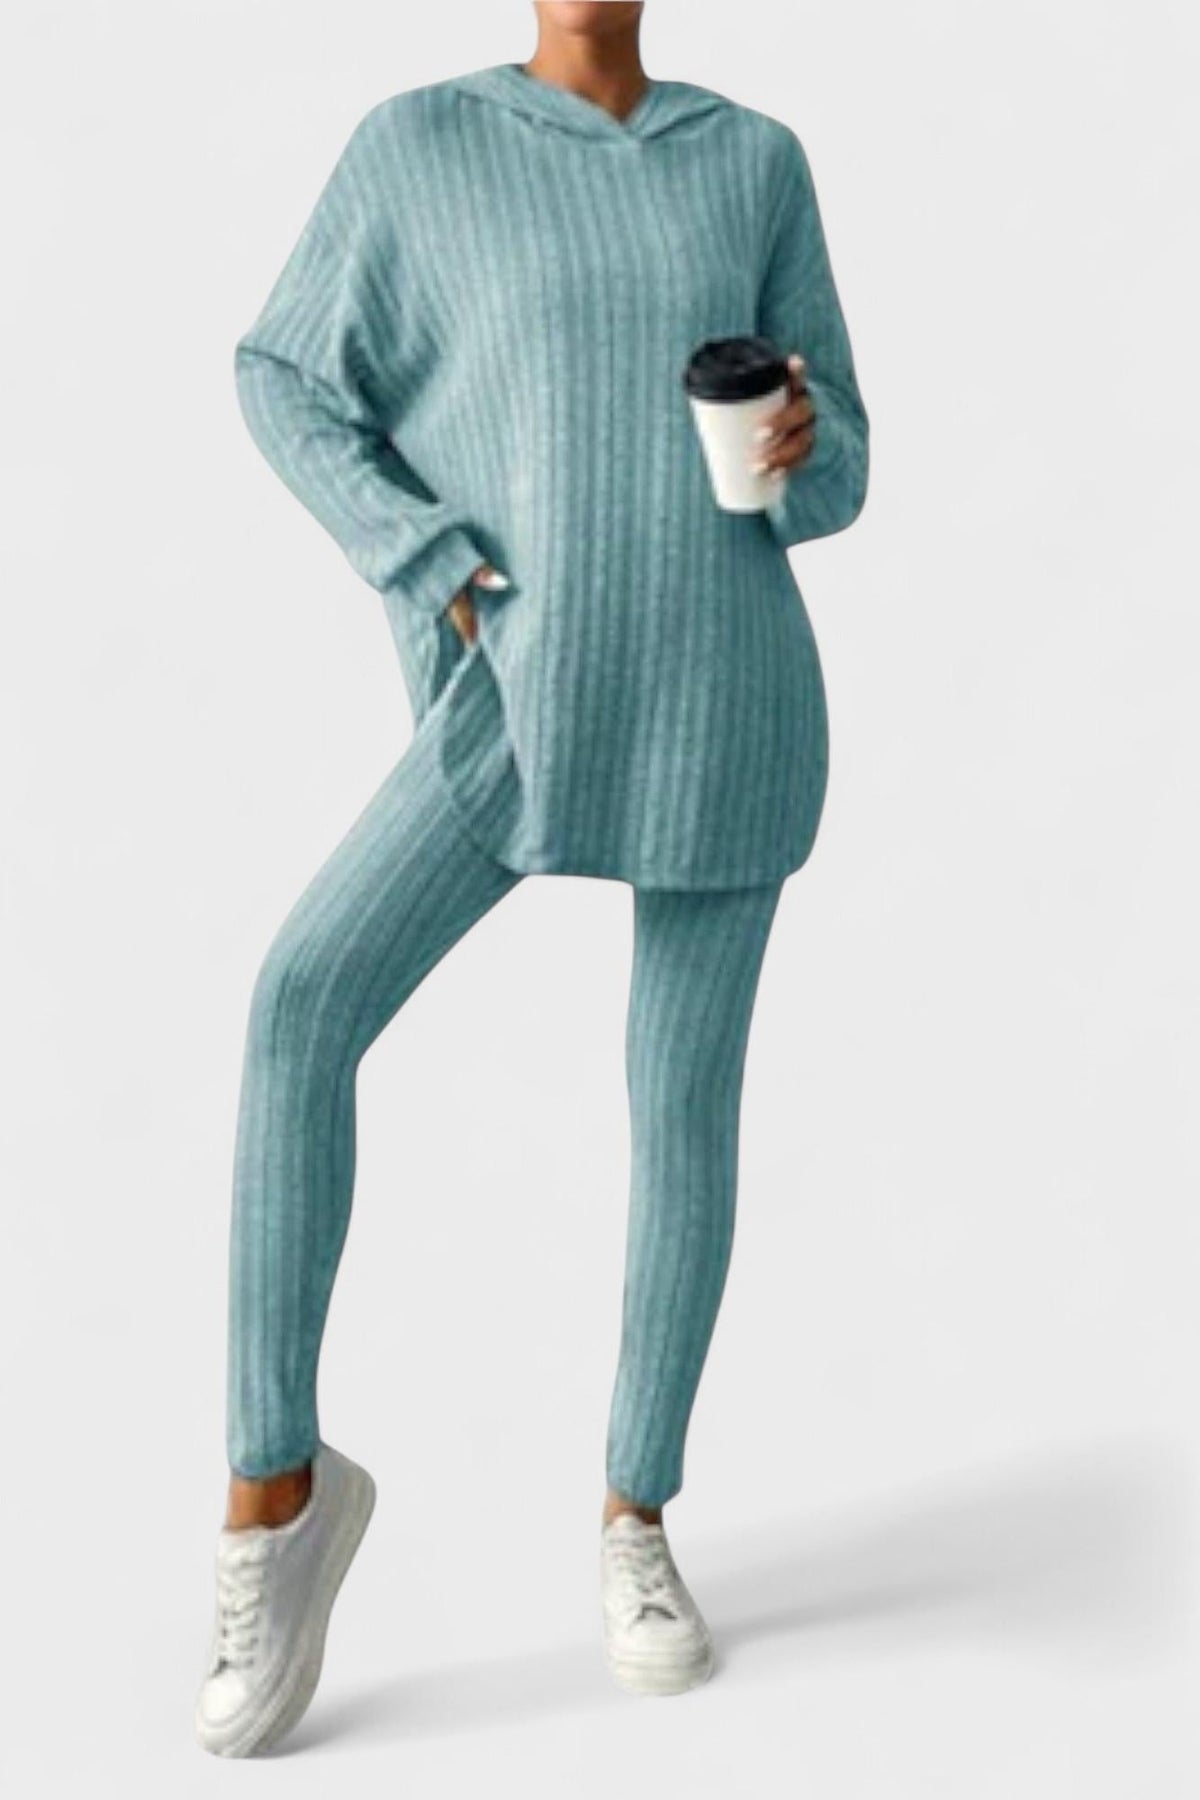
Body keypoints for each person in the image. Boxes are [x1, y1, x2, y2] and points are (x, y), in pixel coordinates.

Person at [196, 0, 869, 1757]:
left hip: (729, 697)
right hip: (518, 695)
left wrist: (801, 447)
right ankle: (275, 1493)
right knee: (300, 1004)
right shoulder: (419, 147)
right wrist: (423, 558)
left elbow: (844, 466)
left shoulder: (753, 159)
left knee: (683, 1116)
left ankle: (638, 1517)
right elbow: (282, 371)